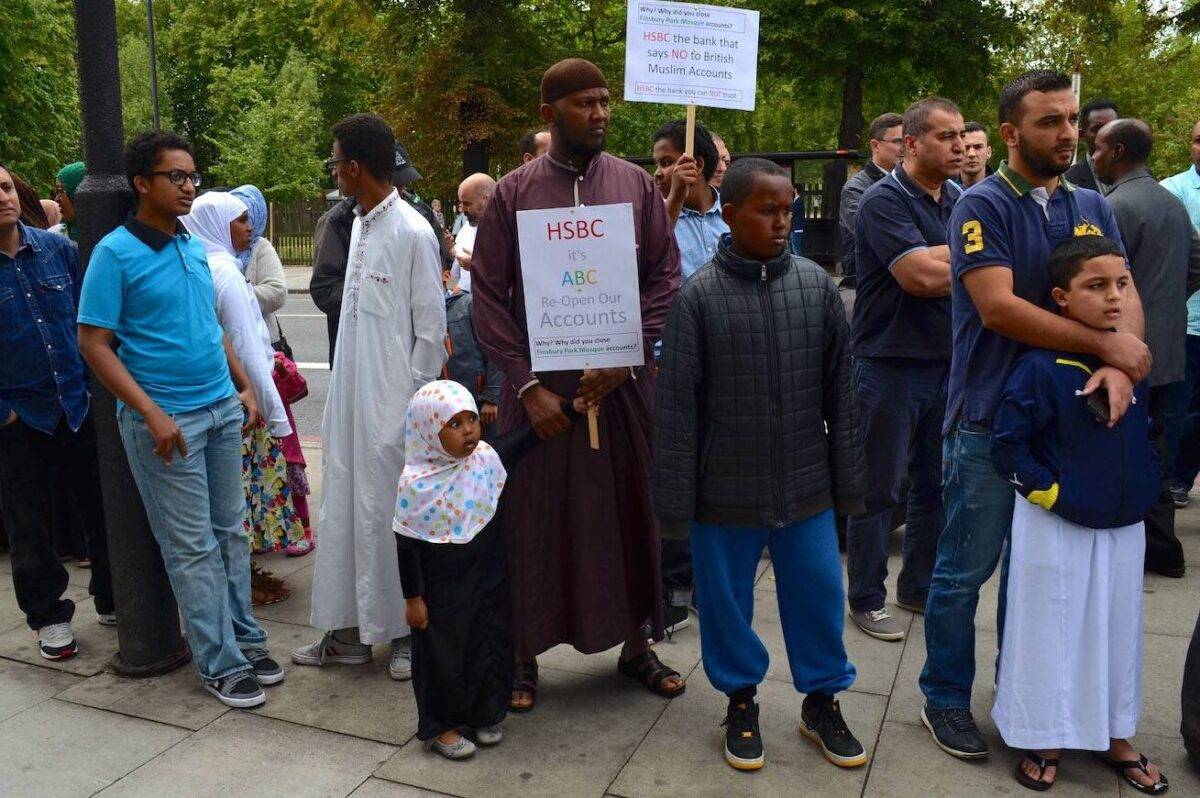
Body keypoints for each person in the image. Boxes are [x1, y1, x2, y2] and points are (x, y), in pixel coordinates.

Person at [919, 70, 1146, 759]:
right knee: (966, 570)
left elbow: (1122, 290)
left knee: (1039, 581)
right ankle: (945, 698)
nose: (1069, 133)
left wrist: (1117, 359)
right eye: (1050, 121)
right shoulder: (980, 205)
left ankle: (1027, 706)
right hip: (988, 422)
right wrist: (1106, 343)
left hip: (1069, 427)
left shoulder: (1090, 204)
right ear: (1012, 133)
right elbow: (998, 308)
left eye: (1073, 119)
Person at [471, 58, 684, 713]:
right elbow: (488, 297)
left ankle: (637, 647)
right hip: (541, 395)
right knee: (531, 522)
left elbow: (665, 278)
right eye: (584, 103)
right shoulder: (513, 194)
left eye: (604, 102)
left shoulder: (636, 187)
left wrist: (628, 355)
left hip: (621, 390)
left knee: (629, 513)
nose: (599, 114)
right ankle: (521, 656)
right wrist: (527, 387)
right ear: (549, 113)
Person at [653, 157, 866, 771]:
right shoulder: (697, 298)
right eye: (767, 210)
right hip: (723, 491)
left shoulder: (816, 287)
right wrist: (674, 506)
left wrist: (847, 483)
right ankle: (740, 700)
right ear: (730, 213)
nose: (781, 222)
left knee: (821, 595)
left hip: (805, 485)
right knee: (725, 604)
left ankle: (821, 700)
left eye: (789, 210)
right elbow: (676, 413)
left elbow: (841, 393)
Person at [77, 131, 281, 708]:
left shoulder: (192, 246)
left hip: (219, 411)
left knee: (231, 537)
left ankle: (245, 639)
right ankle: (220, 662)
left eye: (192, 176)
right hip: (168, 424)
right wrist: (149, 412)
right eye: (177, 176)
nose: (190, 185)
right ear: (143, 184)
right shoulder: (115, 253)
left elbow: (209, 327)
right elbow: (94, 343)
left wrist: (242, 385)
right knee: (191, 548)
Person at [990, 235, 1167, 794]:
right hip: (1057, 526)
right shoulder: (1040, 369)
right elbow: (1008, 447)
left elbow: (1149, 434)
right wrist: (1053, 496)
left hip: (1123, 525)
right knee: (1050, 627)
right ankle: (1044, 733)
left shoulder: (1133, 360)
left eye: (1121, 283)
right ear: (1062, 298)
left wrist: (1146, 482)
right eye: (1097, 286)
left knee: (1117, 630)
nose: (1114, 297)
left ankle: (1115, 732)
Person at [292, 114, 446, 682]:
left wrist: (411, 408)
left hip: (392, 408)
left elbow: (429, 330)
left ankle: (403, 634)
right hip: (350, 400)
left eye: (335, 163)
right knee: (345, 512)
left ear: (354, 167)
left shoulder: (412, 230)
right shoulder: (357, 225)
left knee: (390, 516)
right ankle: (349, 633)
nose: (334, 172)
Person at [395, 382, 584, 759]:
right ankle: (442, 725)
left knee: (489, 644)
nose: (469, 430)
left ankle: (485, 712)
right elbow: (407, 547)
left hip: (486, 584)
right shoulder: (416, 486)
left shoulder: (484, 461)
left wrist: (573, 408)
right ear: (428, 430)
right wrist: (413, 599)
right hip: (441, 596)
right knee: (445, 656)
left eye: (471, 419)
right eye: (454, 424)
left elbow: (528, 438)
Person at [846, 98, 963, 641]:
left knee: (936, 484)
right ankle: (866, 597)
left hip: (948, 362)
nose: (959, 145)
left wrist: (941, 256)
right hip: (888, 365)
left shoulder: (961, 198)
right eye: (945, 136)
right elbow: (918, 278)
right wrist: (968, 259)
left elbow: (955, 266)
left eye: (961, 135)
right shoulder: (881, 200)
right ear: (912, 144)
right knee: (879, 488)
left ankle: (917, 587)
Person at [0, 162, 115, 660]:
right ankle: (49, 616)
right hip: (18, 417)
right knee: (29, 525)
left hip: (75, 404)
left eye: (4, 187)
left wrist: (92, 387)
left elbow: (89, 322)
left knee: (102, 506)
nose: (3, 197)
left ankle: (114, 594)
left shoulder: (57, 249)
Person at [180, 192, 300, 607]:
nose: (249, 227)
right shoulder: (225, 274)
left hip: (229, 392)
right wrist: (274, 413)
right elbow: (245, 345)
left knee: (233, 496)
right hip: (244, 398)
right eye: (240, 220)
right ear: (218, 224)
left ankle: (242, 575)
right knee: (243, 497)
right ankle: (240, 580)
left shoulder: (202, 262)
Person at [1093, 118, 1200, 578]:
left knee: (1126, 448)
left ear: (1117, 152)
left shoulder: (1111, 207)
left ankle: (1144, 544)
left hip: (1125, 350)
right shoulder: (1172, 204)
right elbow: (1197, 265)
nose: (1091, 157)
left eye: (1097, 148)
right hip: (1170, 350)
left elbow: (1098, 281)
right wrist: (1167, 301)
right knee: (1156, 448)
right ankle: (1161, 547)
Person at [649, 117, 727, 636]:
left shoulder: (733, 221)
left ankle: (711, 584)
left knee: (716, 476)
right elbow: (647, 259)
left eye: (663, 161)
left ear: (692, 162)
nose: (656, 172)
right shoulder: (655, 215)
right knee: (673, 478)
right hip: (667, 366)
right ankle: (672, 585)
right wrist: (671, 197)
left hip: (723, 369)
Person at [1161, 119, 1200, 506]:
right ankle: (1174, 480)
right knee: (1178, 410)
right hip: (1186, 323)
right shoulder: (1172, 192)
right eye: (1198, 141)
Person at [653, 118, 727, 280]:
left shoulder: (734, 214)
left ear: (697, 165)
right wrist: (675, 199)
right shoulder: (654, 219)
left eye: (666, 163)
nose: (657, 173)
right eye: (656, 164)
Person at [838, 112, 904, 295]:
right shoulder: (856, 189)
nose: (904, 148)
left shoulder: (911, 185)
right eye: (898, 141)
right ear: (875, 145)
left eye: (907, 141)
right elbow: (878, 239)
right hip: (869, 287)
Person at [230, 185, 288, 348]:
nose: (248, 226)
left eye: (248, 218)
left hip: (261, 342)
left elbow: (277, 291)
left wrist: (232, 296)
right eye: (240, 219)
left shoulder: (259, 246)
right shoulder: (218, 247)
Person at [271, 352, 314, 557]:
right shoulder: (240, 361)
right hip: (260, 441)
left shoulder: (276, 359)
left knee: (295, 488)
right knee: (267, 491)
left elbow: (298, 389)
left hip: (285, 444)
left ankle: (305, 534)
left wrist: (282, 371)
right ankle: (272, 535)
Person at [309, 195, 356, 366]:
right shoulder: (337, 220)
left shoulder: (416, 211)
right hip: (350, 347)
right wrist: (368, 292)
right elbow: (324, 288)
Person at [450, 173, 494, 294]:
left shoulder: (507, 229)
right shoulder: (466, 229)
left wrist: (476, 266)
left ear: (487, 199)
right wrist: (451, 288)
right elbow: (456, 269)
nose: (463, 210)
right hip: (464, 303)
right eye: (461, 203)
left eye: (467, 203)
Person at [1063, 98, 1118, 193]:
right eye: (1098, 129)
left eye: (1114, 127)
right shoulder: (1068, 181)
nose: (1108, 134)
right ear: (1081, 135)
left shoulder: (1137, 176)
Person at [54, 161, 85, 240]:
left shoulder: (110, 236)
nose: (56, 199)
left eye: (60, 191)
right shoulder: (56, 237)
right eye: (56, 192)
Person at [959, 121, 992, 188]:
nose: (971, 154)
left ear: (988, 152)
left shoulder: (1003, 190)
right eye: (966, 148)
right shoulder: (941, 190)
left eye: (978, 147)